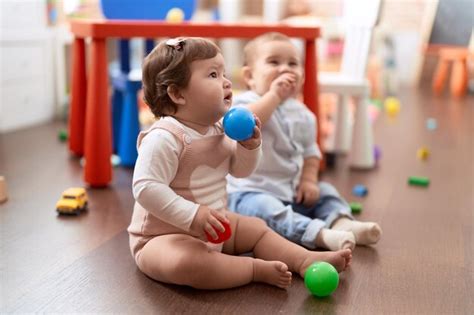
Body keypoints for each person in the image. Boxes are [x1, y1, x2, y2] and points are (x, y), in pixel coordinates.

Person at [127, 37, 352, 290]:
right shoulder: (165, 137)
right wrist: (193, 215)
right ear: (178, 94)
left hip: (214, 226)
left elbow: (240, 171)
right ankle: (253, 269)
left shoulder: (221, 129)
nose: (226, 81)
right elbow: (146, 188)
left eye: (223, 73)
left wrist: (249, 146)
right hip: (163, 238)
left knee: (256, 228)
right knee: (188, 263)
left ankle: (304, 259)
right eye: (213, 74)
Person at [227, 33, 382, 251]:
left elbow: (311, 153)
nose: (285, 68)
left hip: (292, 192)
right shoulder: (245, 103)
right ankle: (319, 234)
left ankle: (342, 222)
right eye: (274, 62)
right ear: (250, 76)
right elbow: (245, 127)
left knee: (325, 189)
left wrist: (308, 181)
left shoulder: (304, 114)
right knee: (266, 208)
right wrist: (274, 96)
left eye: (293, 63)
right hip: (249, 194)